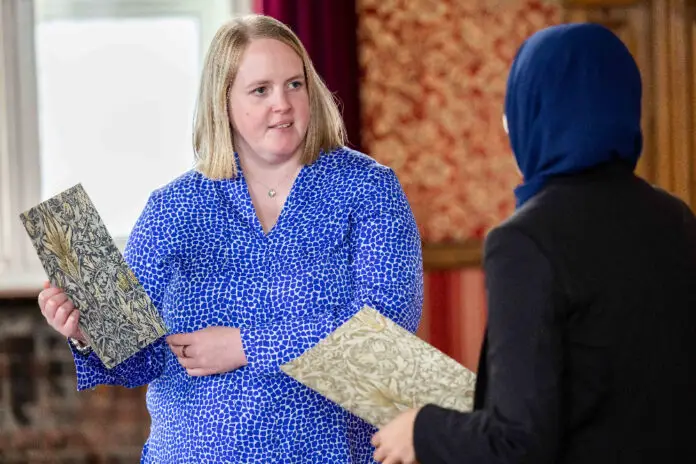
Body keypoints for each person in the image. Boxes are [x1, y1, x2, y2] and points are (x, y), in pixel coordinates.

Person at [37, 14, 423, 463]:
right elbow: (139, 361)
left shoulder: (368, 189)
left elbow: (387, 339)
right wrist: (86, 331)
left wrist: (245, 345)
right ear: (223, 102)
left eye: (294, 85)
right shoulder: (173, 206)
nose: (282, 103)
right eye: (261, 90)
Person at [372, 23, 696, 464]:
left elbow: (518, 441)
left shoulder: (525, 241)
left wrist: (421, 430)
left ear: (534, 111)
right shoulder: (675, 217)